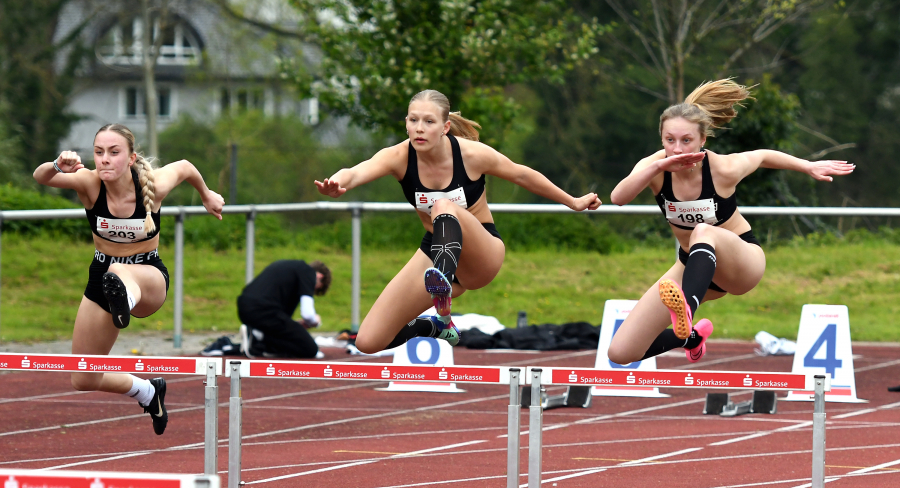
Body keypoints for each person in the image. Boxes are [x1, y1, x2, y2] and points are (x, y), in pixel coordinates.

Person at [315, 89, 601, 354]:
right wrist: (337, 182)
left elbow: (522, 174)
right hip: (433, 249)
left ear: (445, 127)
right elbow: (355, 171)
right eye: (413, 120)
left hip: (481, 253)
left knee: (442, 205)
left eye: (428, 121)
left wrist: (572, 201)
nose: (419, 128)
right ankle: (437, 324)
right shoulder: (398, 157)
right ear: (405, 123)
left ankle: (442, 282)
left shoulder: (471, 154)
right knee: (368, 341)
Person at [607, 79, 854, 365]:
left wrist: (807, 165)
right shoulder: (654, 168)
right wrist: (658, 166)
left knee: (703, 231)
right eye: (669, 140)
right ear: (661, 138)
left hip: (740, 262)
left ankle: (686, 307)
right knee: (621, 352)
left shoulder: (723, 168)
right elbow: (618, 197)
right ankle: (690, 336)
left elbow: (762, 156)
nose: (677, 149)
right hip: (693, 266)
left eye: (686, 140)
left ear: (702, 140)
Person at [33, 124, 224, 435]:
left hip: (148, 277)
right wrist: (57, 165)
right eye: (98, 153)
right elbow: (41, 177)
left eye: (113, 152)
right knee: (83, 376)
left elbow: (187, 167)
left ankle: (124, 298)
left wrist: (207, 195)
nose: (104, 160)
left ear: (131, 158)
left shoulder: (154, 185)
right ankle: (149, 392)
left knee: (119, 273)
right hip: (103, 277)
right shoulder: (89, 182)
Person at [231, 259, 332, 358]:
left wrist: (295, 324)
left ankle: (257, 337)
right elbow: (308, 315)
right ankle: (258, 336)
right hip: (264, 310)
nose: (310, 289)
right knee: (310, 349)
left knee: (289, 335)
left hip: (245, 307)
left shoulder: (289, 268)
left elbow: (282, 320)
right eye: (316, 288)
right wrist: (315, 321)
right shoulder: (308, 273)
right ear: (319, 276)